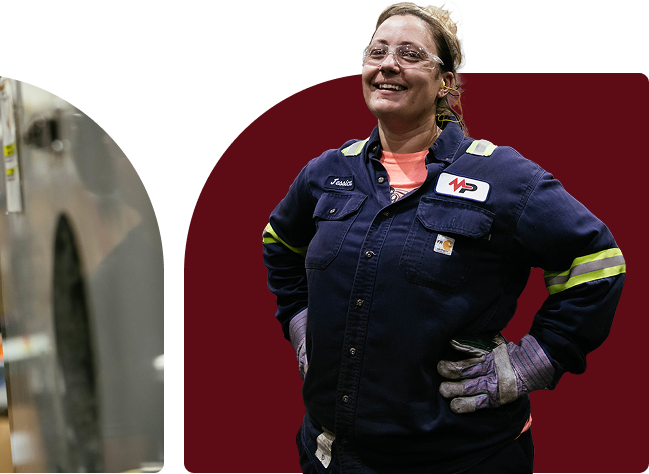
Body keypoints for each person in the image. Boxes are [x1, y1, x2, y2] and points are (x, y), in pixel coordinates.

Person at [260, 2, 624, 473]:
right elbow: (279, 243)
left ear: (445, 83)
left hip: (463, 457)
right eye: (378, 51)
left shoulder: (502, 177)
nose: (388, 64)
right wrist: (299, 319)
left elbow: (598, 259)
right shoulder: (327, 172)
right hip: (333, 456)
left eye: (410, 54)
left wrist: (535, 359)